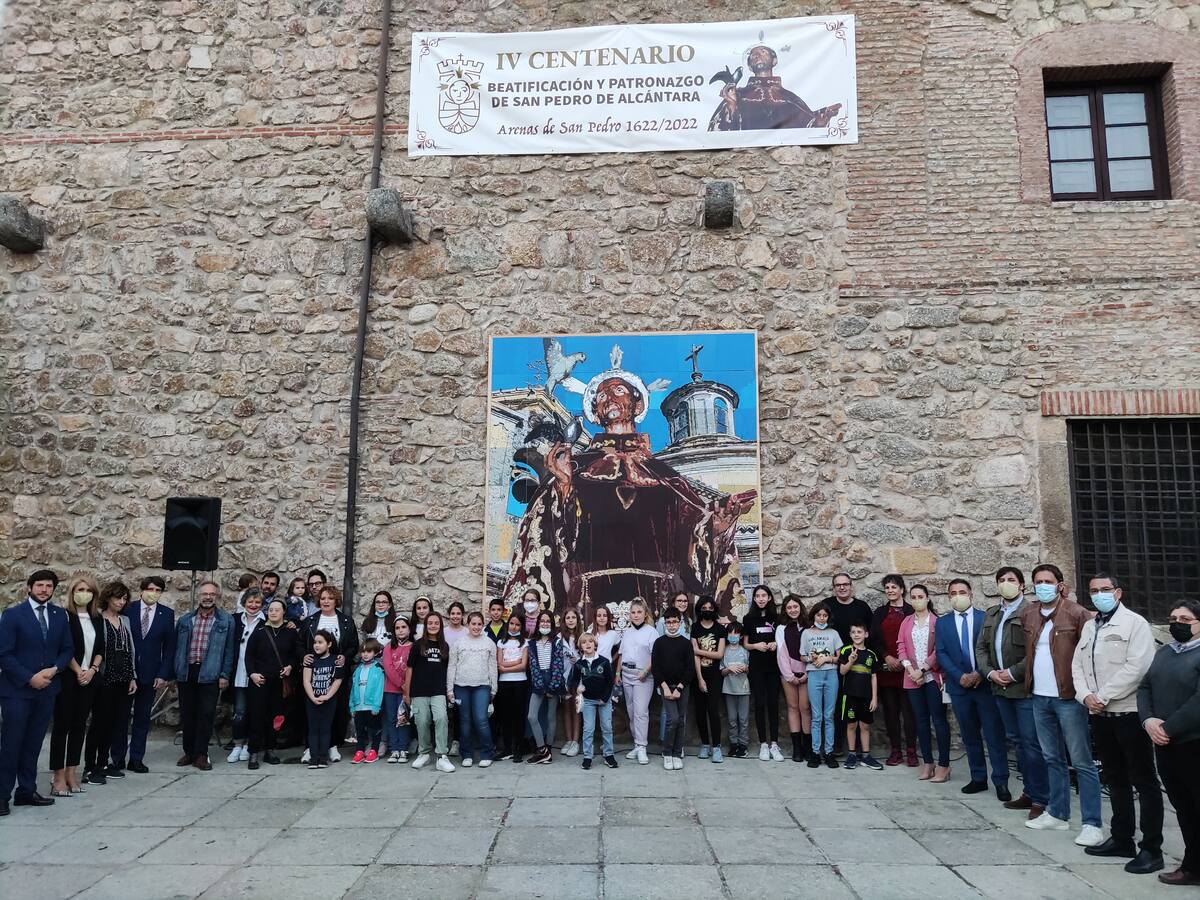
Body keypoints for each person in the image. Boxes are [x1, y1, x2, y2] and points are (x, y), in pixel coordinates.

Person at [501, 344, 753, 618]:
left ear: (638, 403)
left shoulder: (669, 479)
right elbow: (547, 540)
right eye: (601, 395)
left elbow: (691, 540)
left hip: (656, 604)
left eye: (618, 390)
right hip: (589, 606)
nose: (608, 398)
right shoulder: (574, 469)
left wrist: (716, 527)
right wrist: (562, 488)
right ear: (595, 412)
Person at [1072, 573, 1161, 873]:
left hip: (1128, 713)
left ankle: (1152, 848)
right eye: (1094, 590)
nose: (1099, 594)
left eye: (1105, 589)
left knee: (1143, 781)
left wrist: (1102, 696)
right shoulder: (1090, 626)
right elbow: (1077, 665)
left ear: (1118, 592)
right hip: (1100, 715)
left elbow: (1138, 668)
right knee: (1114, 778)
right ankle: (1122, 838)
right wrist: (1085, 696)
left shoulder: (1135, 624)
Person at [1022, 564, 1102, 847]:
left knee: (1081, 761)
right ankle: (1057, 813)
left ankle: (1092, 823)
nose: (1042, 585)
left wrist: (1088, 691)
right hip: (1039, 696)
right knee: (1051, 758)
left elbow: (1089, 654)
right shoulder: (1029, 613)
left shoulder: (1076, 613)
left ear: (1059, 584)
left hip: (1068, 696)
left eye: (1048, 581)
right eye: (1038, 581)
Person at [0, 569, 74, 815]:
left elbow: (67, 649)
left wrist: (54, 670)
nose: (44, 589)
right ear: (29, 587)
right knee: (11, 744)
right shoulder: (13, 615)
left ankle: (26, 791)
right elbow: (4, 654)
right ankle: (2, 794)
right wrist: (29, 678)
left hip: (47, 690)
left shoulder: (59, 615)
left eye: (49, 586)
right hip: (17, 691)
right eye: (40, 585)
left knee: (33, 743)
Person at [977, 566, 1049, 817]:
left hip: (1023, 688)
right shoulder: (992, 613)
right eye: (1001, 580)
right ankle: (1029, 792)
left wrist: (1013, 672)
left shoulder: (1032, 612)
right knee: (1017, 742)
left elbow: (1036, 650)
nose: (1005, 583)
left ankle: (1040, 798)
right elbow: (981, 649)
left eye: (1010, 579)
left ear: (1021, 585)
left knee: (1031, 744)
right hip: (1000, 687)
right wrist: (990, 673)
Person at [1138, 599, 1200, 887]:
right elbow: (1145, 686)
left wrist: (1167, 728)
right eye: (1173, 618)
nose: (1178, 624)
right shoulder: (1165, 652)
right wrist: (1148, 720)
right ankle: (1193, 865)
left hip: (1191, 743)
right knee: (1183, 807)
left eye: (1185, 619)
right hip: (1164, 743)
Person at [935, 578, 1010, 800]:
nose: (958, 596)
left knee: (994, 735)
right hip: (959, 688)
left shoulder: (985, 618)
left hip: (985, 685)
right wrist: (959, 676)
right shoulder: (943, 623)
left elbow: (992, 649)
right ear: (949, 597)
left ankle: (1001, 780)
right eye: (953, 593)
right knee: (969, 735)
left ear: (971, 594)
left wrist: (979, 673)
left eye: (962, 592)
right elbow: (941, 653)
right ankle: (978, 777)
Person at [50, 574, 104, 797]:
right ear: (72, 592)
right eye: (80, 590)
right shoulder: (65, 617)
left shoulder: (97, 618)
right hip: (68, 678)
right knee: (62, 726)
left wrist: (92, 670)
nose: (85, 594)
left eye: (89, 590)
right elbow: (64, 647)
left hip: (89, 679)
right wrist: (78, 670)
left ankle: (72, 771)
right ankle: (58, 775)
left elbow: (100, 648)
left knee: (79, 726)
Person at [173, 580, 235, 771]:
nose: (208, 597)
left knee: (206, 714)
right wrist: (174, 672)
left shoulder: (226, 621)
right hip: (187, 672)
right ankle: (189, 752)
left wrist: (224, 674)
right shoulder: (185, 620)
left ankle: (201, 754)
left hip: (210, 672)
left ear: (217, 597)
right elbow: (176, 647)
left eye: (212, 594)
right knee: (187, 714)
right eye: (204, 594)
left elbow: (229, 650)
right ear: (198, 596)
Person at [708, 43, 843, 131]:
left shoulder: (790, 98)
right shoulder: (738, 95)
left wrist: (819, 123)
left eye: (763, 52)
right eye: (753, 55)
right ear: (749, 66)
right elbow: (718, 133)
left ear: (774, 61)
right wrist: (731, 105)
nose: (757, 55)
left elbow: (805, 127)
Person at [85, 581, 137, 783]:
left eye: (124, 599)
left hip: (123, 677)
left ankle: (104, 763)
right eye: (117, 598)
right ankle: (90, 767)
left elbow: (130, 649)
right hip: (104, 677)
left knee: (114, 723)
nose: (121, 602)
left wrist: (132, 676)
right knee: (99, 722)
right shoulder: (98, 619)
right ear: (108, 598)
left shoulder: (125, 620)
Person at [898, 584, 951, 782]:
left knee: (939, 720)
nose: (917, 600)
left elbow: (939, 650)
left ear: (927, 598)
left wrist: (923, 670)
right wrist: (911, 670)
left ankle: (944, 765)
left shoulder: (937, 622)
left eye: (920, 596)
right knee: (920, 721)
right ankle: (928, 763)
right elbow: (901, 646)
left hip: (932, 677)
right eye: (913, 597)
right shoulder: (906, 622)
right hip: (912, 677)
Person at [302, 586, 359, 763]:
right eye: (323, 598)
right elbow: (299, 643)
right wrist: (304, 655)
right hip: (315, 672)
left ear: (336, 601)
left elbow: (353, 645)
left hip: (336, 672)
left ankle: (332, 745)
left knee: (336, 710)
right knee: (311, 712)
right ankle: (310, 748)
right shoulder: (310, 621)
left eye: (330, 598)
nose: (326, 601)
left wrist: (345, 656)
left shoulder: (346, 621)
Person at [125, 576, 175, 773]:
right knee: (120, 718)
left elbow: (169, 648)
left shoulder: (166, 614)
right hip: (126, 673)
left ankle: (136, 758)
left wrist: (163, 674)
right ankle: (117, 758)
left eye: (158, 590)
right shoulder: (128, 609)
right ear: (142, 590)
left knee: (142, 718)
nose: (153, 593)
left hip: (150, 674)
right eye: (150, 589)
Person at [245, 598, 300, 769]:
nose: (273, 612)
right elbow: (249, 655)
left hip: (279, 683)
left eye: (277, 610)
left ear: (284, 612)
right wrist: (252, 673)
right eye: (271, 610)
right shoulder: (260, 631)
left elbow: (296, 654)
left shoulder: (290, 632)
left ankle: (270, 749)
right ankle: (253, 752)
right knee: (256, 717)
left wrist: (290, 667)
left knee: (276, 717)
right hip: (260, 681)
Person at [870, 574, 917, 766]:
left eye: (894, 587)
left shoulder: (912, 611)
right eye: (887, 587)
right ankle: (895, 751)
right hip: (887, 669)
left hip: (909, 670)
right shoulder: (880, 612)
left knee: (909, 713)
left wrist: (904, 661)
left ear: (902, 590)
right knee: (891, 712)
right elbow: (874, 639)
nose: (890, 590)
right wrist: (886, 657)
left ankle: (912, 751)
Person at [825, 573, 872, 749]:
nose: (842, 587)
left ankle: (859, 746)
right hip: (835, 662)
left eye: (845, 584)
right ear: (833, 587)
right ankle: (837, 744)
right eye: (838, 585)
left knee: (859, 702)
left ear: (851, 586)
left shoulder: (862, 607)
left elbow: (871, 633)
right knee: (837, 703)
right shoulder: (827, 606)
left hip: (859, 663)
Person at [448, 611, 497, 768]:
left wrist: (494, 689)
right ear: (467, 625)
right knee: (465, 721)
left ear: (483, 625)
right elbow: (452, 666)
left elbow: (493, 667)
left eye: (479, 624)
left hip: (482, 686)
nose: (476, 627)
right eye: (473, 624)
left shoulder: (489, 643)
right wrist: (449, 689)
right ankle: (467, 754)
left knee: (481, 719)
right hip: (461, 686)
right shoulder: (459, 643)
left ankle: (487, 753)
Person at [405, 611, 454, 772]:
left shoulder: (445, 646)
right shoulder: (417, 645)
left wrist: (448, 690)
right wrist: (407, 692)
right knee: (422, 721)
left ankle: (441, 756)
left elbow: (448, 670)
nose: (433, 626)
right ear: (426, 625)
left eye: (436, 623)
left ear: (440, 626)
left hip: (438, 690)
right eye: (430, 623)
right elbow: (409, 669)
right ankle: (424, 753)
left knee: (441, 718)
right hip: (419, 691)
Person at [744, 584, 784, 761]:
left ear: (769, 598)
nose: (761, 599)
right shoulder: (748, 618)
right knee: (759, 703)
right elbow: (745, 643)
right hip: (756, 667)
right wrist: (756, 646)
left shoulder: (777, 618)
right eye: (758, 596)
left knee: (773, 703)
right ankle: (763, 744)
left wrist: (776, 644)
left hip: (774, 666)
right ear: (754, 599)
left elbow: (782, 640)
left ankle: (774, 743)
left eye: (764, 596)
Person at [801, 603, 842, 768]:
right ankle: (815, 752)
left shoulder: (833, 633)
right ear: (814, 616)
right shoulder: (806, 633)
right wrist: (811, 658)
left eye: (825, 615)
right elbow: (802, 656)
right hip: (814, 674)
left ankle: (829, 752)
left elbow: (839, 657)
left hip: (831, 674)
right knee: (816, 715)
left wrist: (827, 659)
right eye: (819, 615)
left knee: (829, 715)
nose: (822, 618)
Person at [653, 607, 695, 770]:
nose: (671, 625)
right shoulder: (659, 643)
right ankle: (667, 752)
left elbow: (690, 668)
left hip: (682, 687)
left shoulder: (686, 643)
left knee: (681, 720)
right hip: (666, 687)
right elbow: (656, 668)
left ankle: (677, 753)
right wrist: (665, 687)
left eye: (674, 622)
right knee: (673, 719)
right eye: (668, 622)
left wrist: (679, 688)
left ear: (680, 623)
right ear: (664, 623)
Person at [570, 631, 618, 769]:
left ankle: (609, 755)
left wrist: (605, 698)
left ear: (595, 644)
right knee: (588, 728)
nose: (588, 644)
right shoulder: (579, 664)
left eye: (590, 641)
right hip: (588, 701)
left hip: (604, 700)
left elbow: (610, 681)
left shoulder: (604, 661)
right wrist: (577, 687)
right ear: (580, 647)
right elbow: (574, 680)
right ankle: (587, 757)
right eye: (584, 642)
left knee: (607, 727)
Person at [227, 588, 265, 763]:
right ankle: (237, 744)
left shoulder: (266, 622)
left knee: (255, 712)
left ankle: (250, 745)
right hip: (238, 673)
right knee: (239, 712)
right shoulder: (235, 620)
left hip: (257, 674)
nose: (253, 605)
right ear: (244, 603)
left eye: (257, 602)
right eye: (250, 601)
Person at [618, 597, 657, 765]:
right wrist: (618, 673)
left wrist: (646, 671)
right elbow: (621, 654)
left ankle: (642, 746)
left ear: (645, 613)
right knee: (632, 712)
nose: (636, 615)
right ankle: (636, 744)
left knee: (641, 712)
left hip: (643, 676)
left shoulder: (651, 632)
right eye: (633, 612)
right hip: (627, 674)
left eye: (639, 612)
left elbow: (655, 655)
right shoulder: (627, 632)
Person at [839, 623, 882, 770]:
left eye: (859, 632)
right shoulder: (846, 650)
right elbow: (842, 671)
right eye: (853, 632)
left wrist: (874, 698)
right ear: (850, 635)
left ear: (866, 634)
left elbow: (874, 677)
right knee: (851, 725)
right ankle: (851, 754)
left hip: (866, 696)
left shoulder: (871, 654)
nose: (856, 635)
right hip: (850, 695)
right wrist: (851, 661)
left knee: (865, 725)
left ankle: (866, 756)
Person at [525, 610, 565, 764]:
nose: (545, 624)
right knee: (532, 716)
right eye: (542, 621)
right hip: (539, 681)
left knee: (550, 717)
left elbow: (559, 665)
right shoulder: (532, 643)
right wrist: (541, 686)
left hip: (553, 679)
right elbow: (533, 666)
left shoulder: (557, 642)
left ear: (552, 624)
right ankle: (542, 749)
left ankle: (548, 750)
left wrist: (553, 687)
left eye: (548, 621)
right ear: (538, 623)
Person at [775, 594, 811, 763]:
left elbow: (813, 651)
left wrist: (807, 673)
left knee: (805, 708)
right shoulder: (781, 628)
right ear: (785, 610)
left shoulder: (809, 627)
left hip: (807, 673)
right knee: (793, 707)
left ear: (800, 607)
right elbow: (781, 654)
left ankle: (807, 746)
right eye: (789, 607)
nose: (792, 610)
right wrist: (789, 676)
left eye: (795, 606)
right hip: (788, 674)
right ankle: (797, 747)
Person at [692, 596, 727, 763]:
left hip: (715, 676)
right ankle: (705, 744)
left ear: (714, 609)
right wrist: (700, 678)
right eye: (704, 608)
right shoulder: (695, 628)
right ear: (700, 610)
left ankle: (717, 746)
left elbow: (719, 654)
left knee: (713, 710)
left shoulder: (720, 629)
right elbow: (694, 656)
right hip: (699, 675)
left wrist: (699, 651)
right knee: (700, 711)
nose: (707, 610)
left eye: (710, 608)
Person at [303, 630, 343, 769]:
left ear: (329, 644)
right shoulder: (310, 660)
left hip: (329, 700)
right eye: (315, 642)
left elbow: (338, 680)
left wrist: (327, 696)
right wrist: (312, 697)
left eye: (320, 642)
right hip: (312, 699)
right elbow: (306, 680)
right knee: (313, 729)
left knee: (325, 728)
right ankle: (313, 758)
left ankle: (323, 758)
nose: (317, 645)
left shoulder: (336, 660)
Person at [495, 613, 530, 762]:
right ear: (507, 624)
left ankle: (518, 749)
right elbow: (499, 664)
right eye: (512, 624)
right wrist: (515, 662)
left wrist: (506, 667)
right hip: (504, 683)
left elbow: (523, 666)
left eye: (517, 625)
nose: (514, 627)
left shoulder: (525, 643)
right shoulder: (501, 643)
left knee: (519, 717)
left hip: (520, 682)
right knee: (505, 716)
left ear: (521, 627)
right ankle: (507, 748)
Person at [349, 638, 385, 764]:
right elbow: (353, 688)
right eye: (363, 652)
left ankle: (374, 750)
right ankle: (359, 751)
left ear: (375, 653)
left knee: (375, 729)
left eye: (369, 651)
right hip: (359, 707)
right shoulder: (358, 669)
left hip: (372, 707)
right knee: (360, 730)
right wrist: (352, 706)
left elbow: (379, 689)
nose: (365, 654)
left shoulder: (378, 669)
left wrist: (376, 706)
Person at [382, 617, 414, 762]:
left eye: (403, 627)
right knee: (391, 719)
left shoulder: (413, 647)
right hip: (391, 690)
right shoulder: (389, 647)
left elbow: (414, 668)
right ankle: (394, 749)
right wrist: (401, 684)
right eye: (397, 628)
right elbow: (388, 668)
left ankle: (403, 749)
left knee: (404, 719)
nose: (400, 630)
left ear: (409, 629)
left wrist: (407, 687)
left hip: (407, 691)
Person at [721, 621, 751, 758]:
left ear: (741, 636)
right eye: (730, 633)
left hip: (743, 689)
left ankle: (743, 745)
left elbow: (749, 669)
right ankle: (733, 744)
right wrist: (728, 669)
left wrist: (745, 668)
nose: (733, 636)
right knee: (732, 719)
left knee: (743, 719)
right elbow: (722, 671)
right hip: (729, 689)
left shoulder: (745, 651)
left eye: (736, 633)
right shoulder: (724, 651)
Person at [558, 608, 583, 757]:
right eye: (568, 618)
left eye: (573, 617)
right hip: (564, 677)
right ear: (564, 620)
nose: (571, 620)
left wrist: (578, 660)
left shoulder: (582, 636)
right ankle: (568, 740)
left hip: (578, 678)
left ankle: (575, 741)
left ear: (578, 620)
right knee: (566, 708)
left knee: (577, 707)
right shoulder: (559, 637)